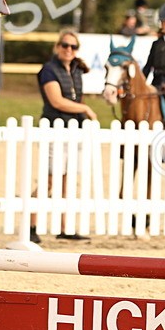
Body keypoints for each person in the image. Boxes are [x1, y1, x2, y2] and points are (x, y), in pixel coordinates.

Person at [30, 30, 97, 244]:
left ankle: (65, 228)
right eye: (65, 45)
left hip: (73, 129)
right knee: (50, 178)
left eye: (73, 46)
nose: (69, 49)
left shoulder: (76, 70)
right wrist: (85, 108)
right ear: (58, 47)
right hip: (54, 129)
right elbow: (57, 101)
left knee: (67, 180)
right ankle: (30, 225)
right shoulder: (49, 70)